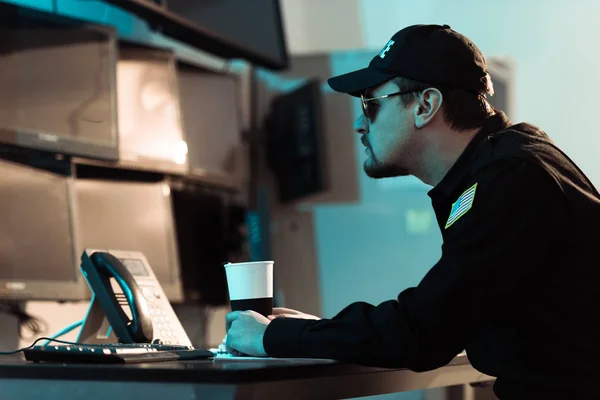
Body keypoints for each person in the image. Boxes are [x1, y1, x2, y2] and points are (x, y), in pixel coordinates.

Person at [224, 24, 600, 399]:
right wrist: (319, 333)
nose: (358, 124)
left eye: (370, 105)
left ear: (425, 106)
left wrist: (275, 337)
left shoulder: (510, 180)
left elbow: (422, 332)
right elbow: (440, 316)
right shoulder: (507, 165)